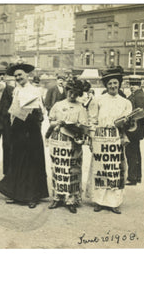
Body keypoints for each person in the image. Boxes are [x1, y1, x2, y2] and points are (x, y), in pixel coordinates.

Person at [0, 61, 49, 209]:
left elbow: (42, 111)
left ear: (27, 75)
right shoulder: (16, 91)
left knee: (32, 162)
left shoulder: (36, 90)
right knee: (17, 161)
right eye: (16, 75)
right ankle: (16, 193)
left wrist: (34, 112)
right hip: (18, 129)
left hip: (31, 130)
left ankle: (32, 196)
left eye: (20, 75)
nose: (18, 77)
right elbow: (13, 110)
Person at [86, 66, 132, 214]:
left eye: (115, 83)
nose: (113, 86)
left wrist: (125, 126)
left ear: (119, 84)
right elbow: (92, 121)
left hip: (116, 140)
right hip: (101, 139)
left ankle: (114, 202)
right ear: (106, 85)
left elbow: (130, 123)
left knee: (115, 170)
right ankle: (99, 201)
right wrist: (92, 140)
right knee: (100, 171)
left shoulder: (125, 103)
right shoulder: (98, 100)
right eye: (110, 83)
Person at [46, 79, 88, 213]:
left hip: (72, 142)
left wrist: (76, 126)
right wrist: (57, 123)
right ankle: (57, 197)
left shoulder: (81, 107)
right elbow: (51, 120)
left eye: (75, 93)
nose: (72, 95)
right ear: (66, 91)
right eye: (70, 92)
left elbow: (84, 126)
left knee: (72, 170)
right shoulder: (58, 105)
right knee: (58, 169)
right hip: (58, 140)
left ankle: (71, 200)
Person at [125, 75, 144, 185]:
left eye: (134, 85)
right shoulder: (137, 94)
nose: (131, 87)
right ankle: (137, 176)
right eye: (131, 84)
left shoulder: (138, 96)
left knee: (131, 153)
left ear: (139, 85)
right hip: (136, 129)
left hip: (134, 129)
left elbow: (141, 114)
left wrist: (130, 117)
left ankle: (132, 177)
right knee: (135, 153)